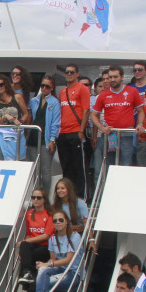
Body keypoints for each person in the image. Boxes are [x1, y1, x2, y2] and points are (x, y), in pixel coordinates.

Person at [25, 210, 82, 292]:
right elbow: (53, 260)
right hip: (60, 269)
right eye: (55, 221)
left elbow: (68, 260)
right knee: (42, 269)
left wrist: (48, 264)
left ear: (66, 222)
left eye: (61, 220)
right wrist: (44, 264)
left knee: (48, 282)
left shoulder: (75, 237)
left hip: (72, 273)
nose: (58, 222)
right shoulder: (52, 238)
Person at [91, 66, 144, 167]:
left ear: (122, 77)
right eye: (110, 77)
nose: (112, 80)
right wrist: (101, 127)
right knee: (110, 166)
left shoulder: (132, 91)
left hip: (127, 134)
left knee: (126, 165)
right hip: (110, 134)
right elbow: (94, 115)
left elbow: (141, 111)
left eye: (115, 77)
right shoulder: (103, 95)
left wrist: (140, 124)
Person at [58, 63, 91, 197]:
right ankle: (67, 196)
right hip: (63, 133)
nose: (69, 74)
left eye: (72, 72)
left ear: (77, 74)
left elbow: (86, 110)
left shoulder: (82, 89)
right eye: (67, 72)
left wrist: (81, 130)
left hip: (76, 131)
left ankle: (80, 197)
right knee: (66, 167)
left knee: (78, 167)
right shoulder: (62, 91)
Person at [27, 76, 60, 192]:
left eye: (47, 86)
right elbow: (30, 116)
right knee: (35, 169)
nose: (44, 88)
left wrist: (52, 139)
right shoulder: (34, 100)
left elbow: (56, 123)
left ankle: (45, 195)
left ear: (52, 88)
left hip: (46, 138)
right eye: (42, 86)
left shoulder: (55, 102)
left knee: (45, 169)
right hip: (33, 137)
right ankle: (37, 194)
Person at [17, 188, 54, 282]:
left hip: (46, 245)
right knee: (24, 247)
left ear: (44, 199)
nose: (35, 200)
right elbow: (29, 233)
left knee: (31, 254)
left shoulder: (50, 214)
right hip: (33, 243)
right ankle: (27, 273)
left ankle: (29, 277)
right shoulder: (29, 213)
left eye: (39, 198)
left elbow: (46, 235)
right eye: (33, 197)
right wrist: (22, 249)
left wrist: (25, 242)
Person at [0, 74, 27, 161]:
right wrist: (6, 116)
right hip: (1, 135)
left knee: (19, 162)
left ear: (6, 84)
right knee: (1, 163)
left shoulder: (17, 97)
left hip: (17, 134)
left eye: (1, 84)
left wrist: (21, 122)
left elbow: (25, 114)